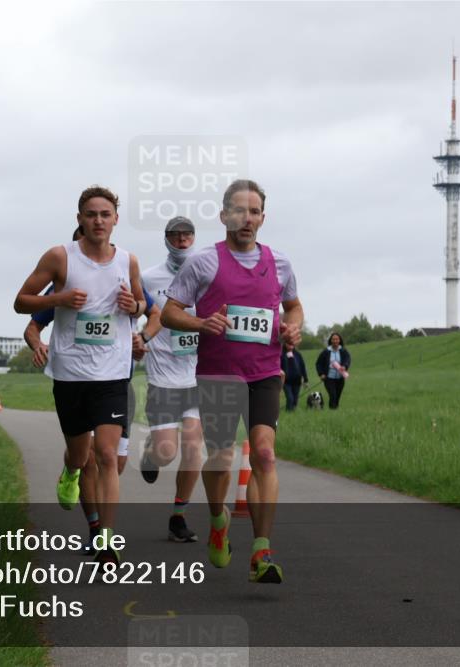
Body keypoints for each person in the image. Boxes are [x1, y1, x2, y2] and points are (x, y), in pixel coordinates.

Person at [161, 179, 303, 584]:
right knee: (221, 458)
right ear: (224, 216)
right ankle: (217, 518)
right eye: (239, 211)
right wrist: (201, 323)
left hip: (264, 372)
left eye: (254, 211)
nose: (246, 218)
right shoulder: (203, 263)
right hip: (218, 374)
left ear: (263, 217)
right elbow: (170, 312)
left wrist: (292, 327)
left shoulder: (279, 263)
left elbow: (293, 306)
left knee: (264, 454)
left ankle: (262, 550)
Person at [14, 186, 145, 566]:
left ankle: (106, 539)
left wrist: (134, 305)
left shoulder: (128, 261)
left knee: (107, 454)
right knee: (80, 454)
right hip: (71, 373)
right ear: (80, 219)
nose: (98, 221)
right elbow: (21, 301)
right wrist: (58, 298)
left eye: (105, 214)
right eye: (91, 214)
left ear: (116, 219)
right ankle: (70, 471)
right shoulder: (60, 257)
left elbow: (141, 305)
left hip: (112, 373)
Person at [138, 215, 204, 544]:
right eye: (175, 235)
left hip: (197, 377)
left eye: (187, 235)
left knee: (193, 448)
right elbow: (136, 312)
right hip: (163, 376)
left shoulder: (208, 274)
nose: (181, 240)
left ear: (194, 238)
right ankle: (151, 452)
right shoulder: (149, 278)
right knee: (167, 452)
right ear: (166, 239)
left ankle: (178, 517)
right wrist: (138, 341)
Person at [316, 332, 351, 409]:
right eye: (333, 339)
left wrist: (345, 366)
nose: (335, 341)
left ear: (339, 340)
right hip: (329, 378)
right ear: (331, 340)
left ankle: (335, 411)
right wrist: (321, 374)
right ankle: (332, 410)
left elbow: (347, 359)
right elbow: (318, 363)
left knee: (337, 396)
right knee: (333, 395)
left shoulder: (343, 351)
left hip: (340, 378)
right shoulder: (326, 352)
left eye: (337, 339)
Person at [279, 343, 308, 411]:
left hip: (297, 380)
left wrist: (306, 380)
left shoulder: (298, 354)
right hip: (286, 381)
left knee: (295, 399)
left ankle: (293, 411)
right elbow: (278, 367)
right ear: (285, 344)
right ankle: (289, 411)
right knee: (290, 398)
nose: (290, 345)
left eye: (291, 344)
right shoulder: (281, 355)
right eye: (288, 344)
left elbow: (302, 367)